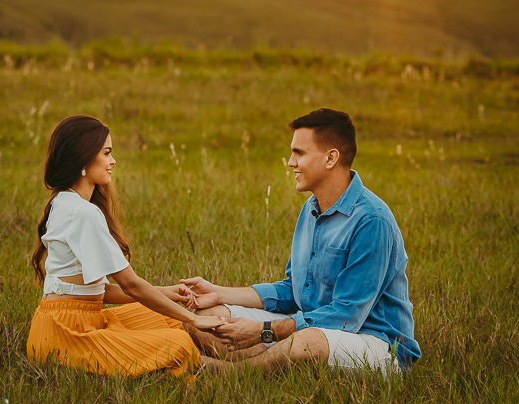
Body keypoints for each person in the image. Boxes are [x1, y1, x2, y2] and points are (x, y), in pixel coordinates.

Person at [183, 108, 420, 375]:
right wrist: (218, 293)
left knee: (305, 344)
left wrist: (263, 332)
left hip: (377, 343)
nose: (290, 162)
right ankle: (264, 363)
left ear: (331, 158)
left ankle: (232, 373)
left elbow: (346, 316)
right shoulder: (311, 208)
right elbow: (293, 290)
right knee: (205, 319)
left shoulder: (372, 220)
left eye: (299, 153)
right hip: (312, 327)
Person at [27, 115, 222, 378]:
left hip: (66, 322)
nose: (113, 161)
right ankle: (230, 371)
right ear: (84, 159)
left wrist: (165, 292)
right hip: (67, 334)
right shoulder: (83, 213)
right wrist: (195, 318)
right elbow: (131, 285)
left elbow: (98, 291)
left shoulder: (63, 201)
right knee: (178, 342)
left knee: (167, 319)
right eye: (106, 153)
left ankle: (184, 364)